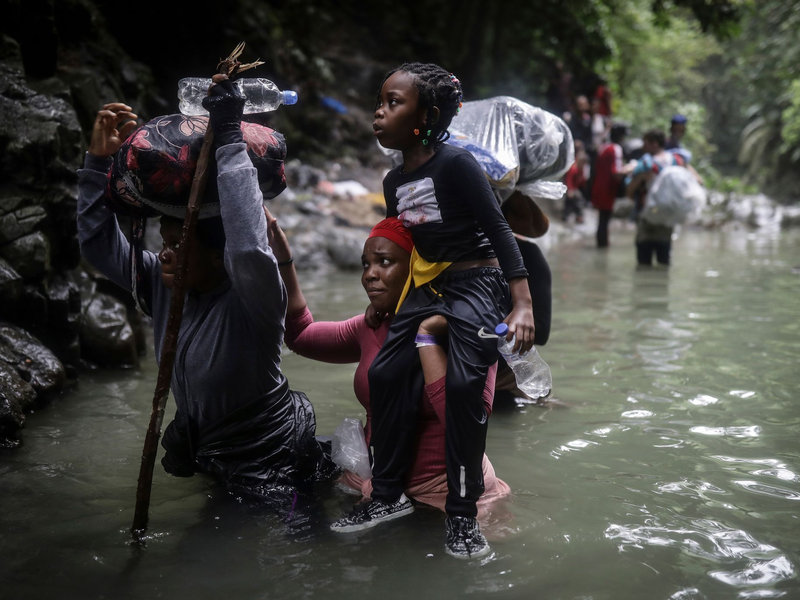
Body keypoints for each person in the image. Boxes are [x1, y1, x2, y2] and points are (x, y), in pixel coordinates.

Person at [77, 84, 323, 494]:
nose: (164, 253)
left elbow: (247, 244)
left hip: (272, 457)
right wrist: (97, 165)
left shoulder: (254, 298)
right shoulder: (164, 287)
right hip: (213, 450)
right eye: (165, 241)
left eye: (178, 244)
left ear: (217, 256)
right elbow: (98, 246)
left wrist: (229, 139)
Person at [334, 62, 535, 559]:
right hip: (431, 285)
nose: (379, 112)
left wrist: (522, 301)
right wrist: (385, 301)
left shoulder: (456, 164)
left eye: (393, 102)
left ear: (425, 114)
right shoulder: (392, 178)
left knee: (466, 386)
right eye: (379, 102)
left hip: (478, 281)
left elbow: (499, 228)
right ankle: (386, 497)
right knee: (385, 374)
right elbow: (400, 248)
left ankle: (463, 516)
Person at [268, 213, 510, 517]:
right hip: (374, 487)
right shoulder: (371, 327)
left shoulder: (465, 329)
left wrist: (427, 337)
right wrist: (284, 261)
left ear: (418, 270)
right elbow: (300, 336)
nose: (369, 274)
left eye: (384, 262)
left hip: (447, 495)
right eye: (366, 264)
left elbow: (463, 423)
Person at [626, 129, 686, 266]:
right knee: (664, 259)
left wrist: (630, 203)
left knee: (644, 260)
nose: (643, 147)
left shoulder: (647, 164)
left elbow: (631, 189)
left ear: (654, 144)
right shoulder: (676, 160)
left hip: (648, 215)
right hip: (668, 216)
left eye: (645, 143)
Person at [591, 123, 635, 248]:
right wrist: (631, 167)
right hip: (607, 190)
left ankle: (601, 246)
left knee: (602, 221)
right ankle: (603, 246)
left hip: (598, 188)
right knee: (604, 221)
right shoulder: (615, 149)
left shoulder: (603, 147)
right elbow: (616, 172)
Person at [563, 146, 587, 224]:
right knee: (574, 201)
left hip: (575, 188)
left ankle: (578, 216)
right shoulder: (574, 169)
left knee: (579, 201)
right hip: (570, 188)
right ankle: (567, 216)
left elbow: (582, 182)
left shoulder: (581, 170)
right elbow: (568, 180)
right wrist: (570, 190)